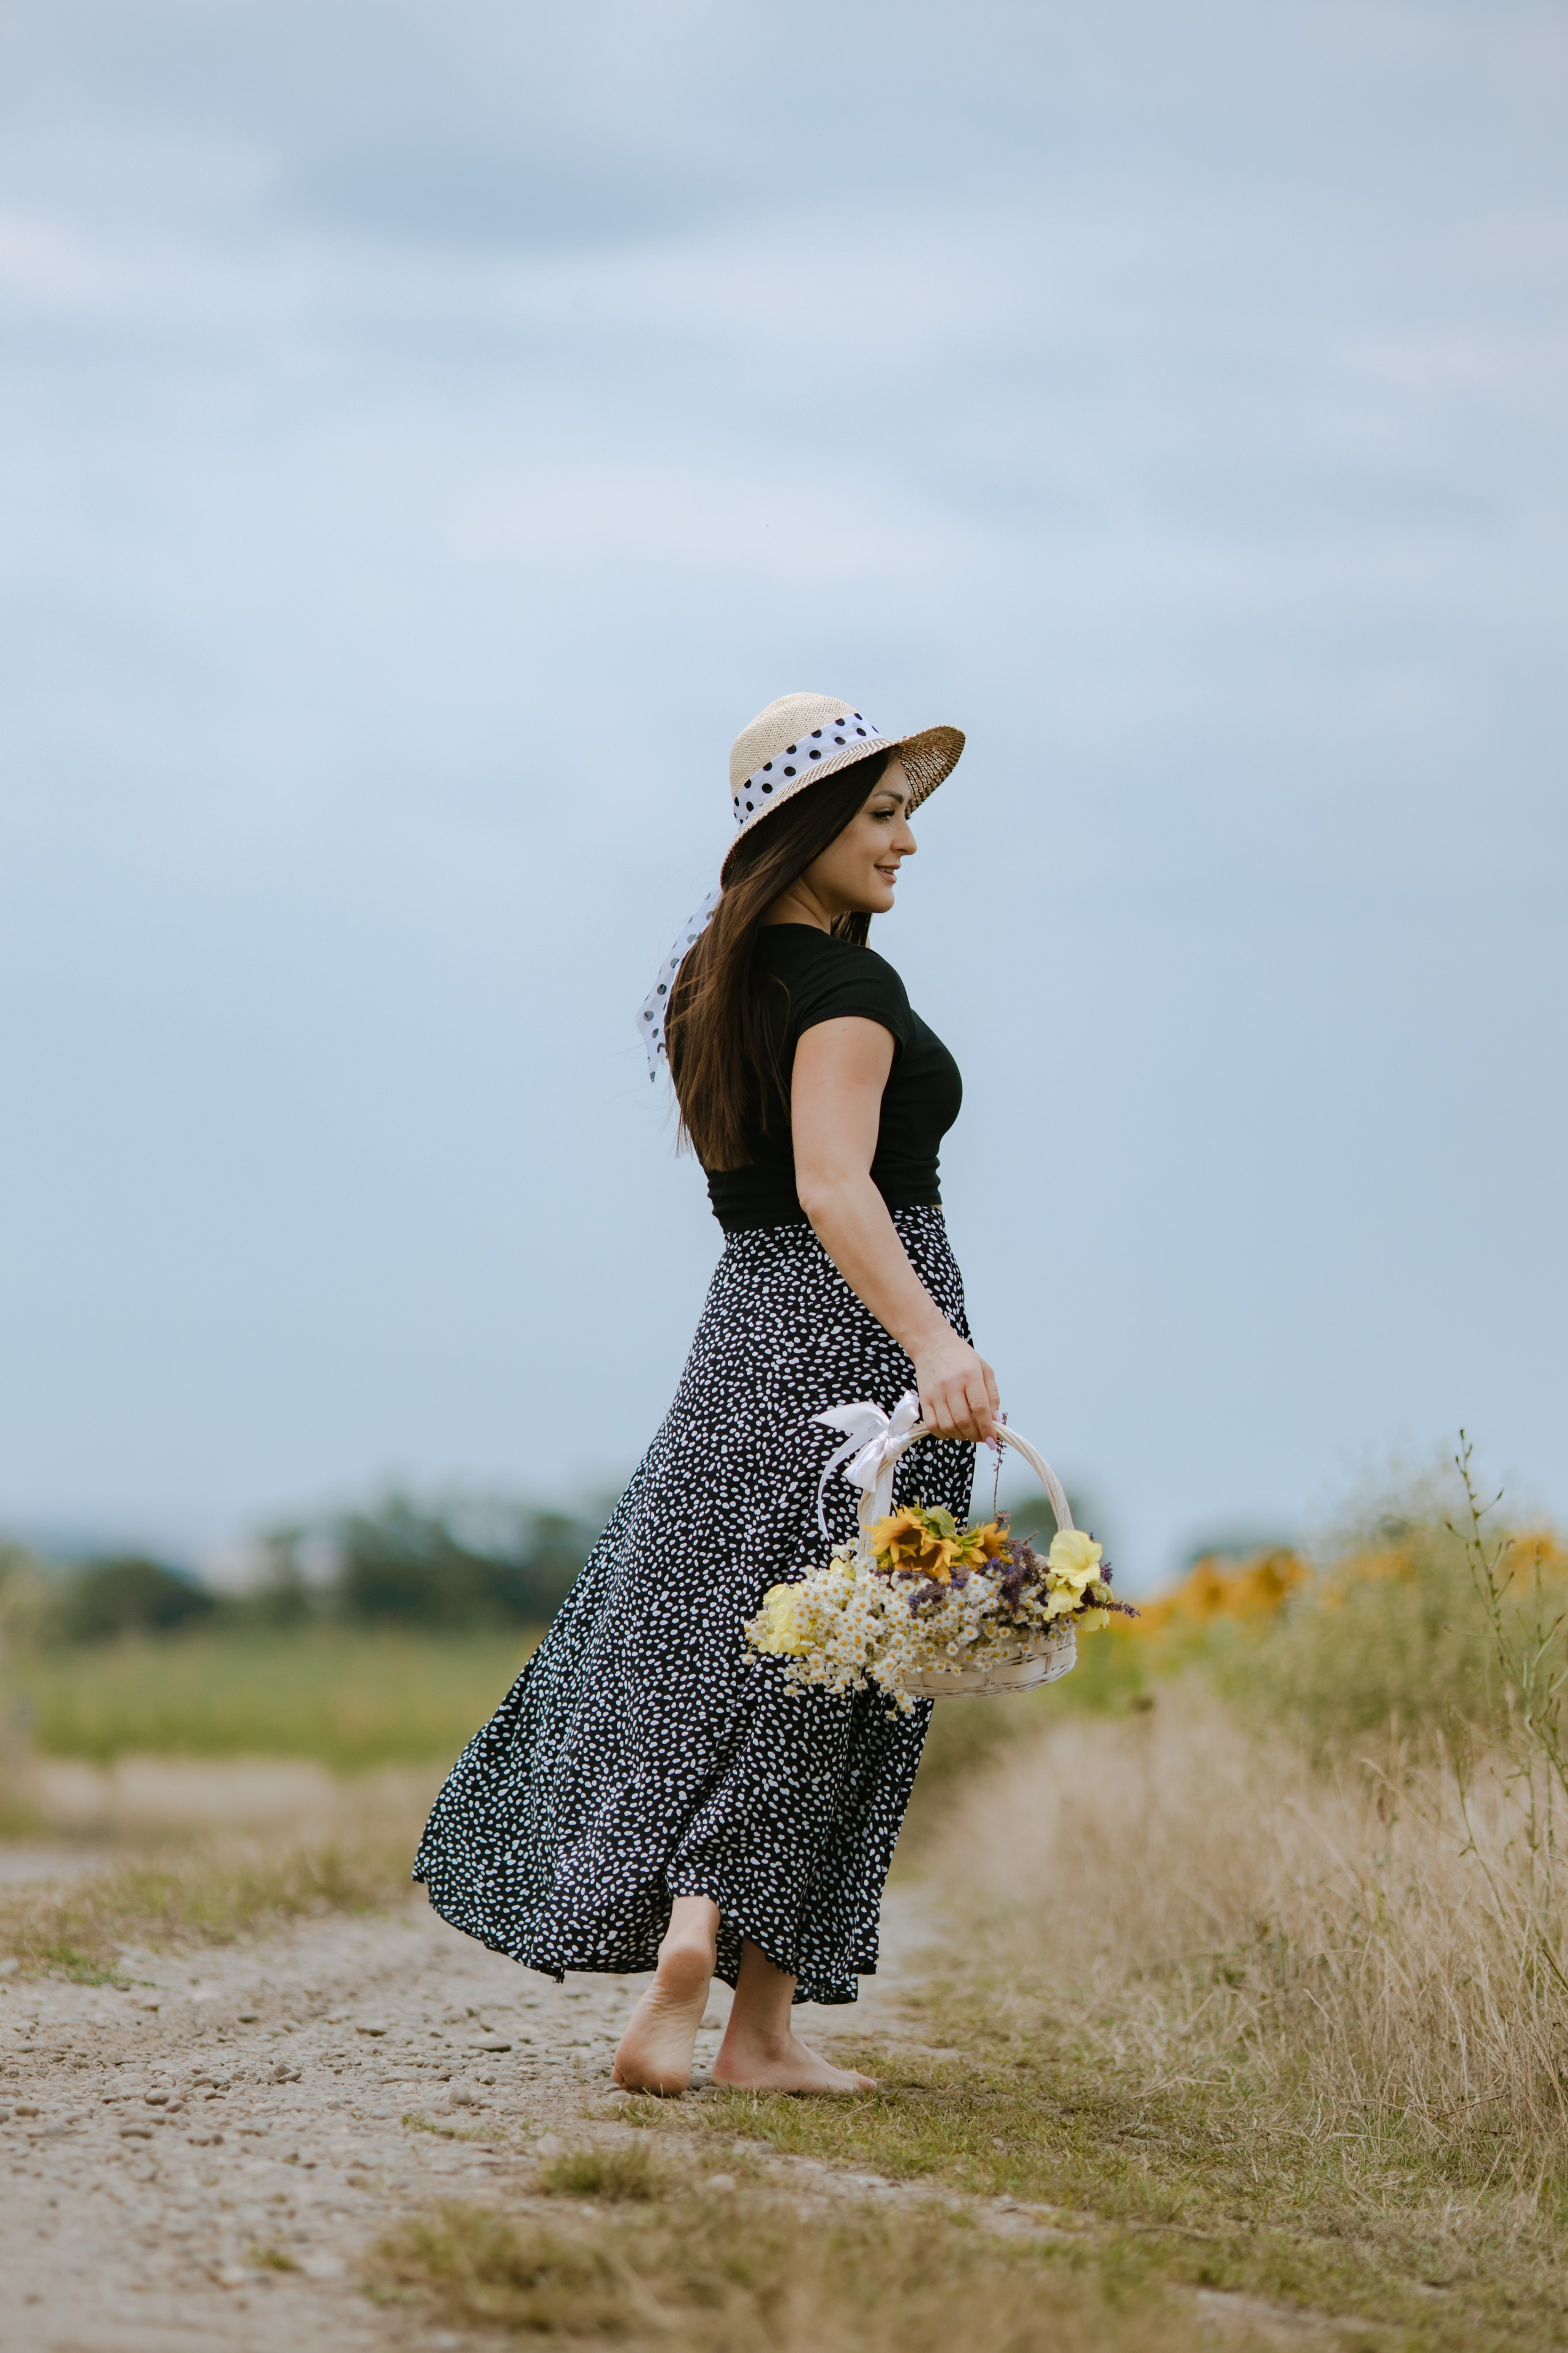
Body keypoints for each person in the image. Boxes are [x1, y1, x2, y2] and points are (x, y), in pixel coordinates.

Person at [414, 691, 998, 2096]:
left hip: (742, 1337)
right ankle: (752, 2020)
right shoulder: (853, 995)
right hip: (855, 1345)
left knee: (737, 1641)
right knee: (852, 1655)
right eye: (878, 813)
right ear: (800, 827)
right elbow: (830, 1184)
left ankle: (712, 1976)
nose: (906, 840)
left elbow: (767, 1195)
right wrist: (930, 1345)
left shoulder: (716, 980)